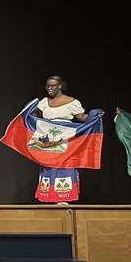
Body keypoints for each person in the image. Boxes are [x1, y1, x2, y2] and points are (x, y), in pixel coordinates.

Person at [36, 75, 88, 203]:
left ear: (59, 86)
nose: (49, 88)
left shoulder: (72, 102)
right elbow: (36, 117)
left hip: (66, 139)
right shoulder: (44, 102)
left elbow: (82, 117)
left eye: (52, 86)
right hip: (48, 141)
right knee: (49, 166)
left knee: (65, 165)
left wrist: (94, 116)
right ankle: (49, 197)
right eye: (47, 86)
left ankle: (64, 198)